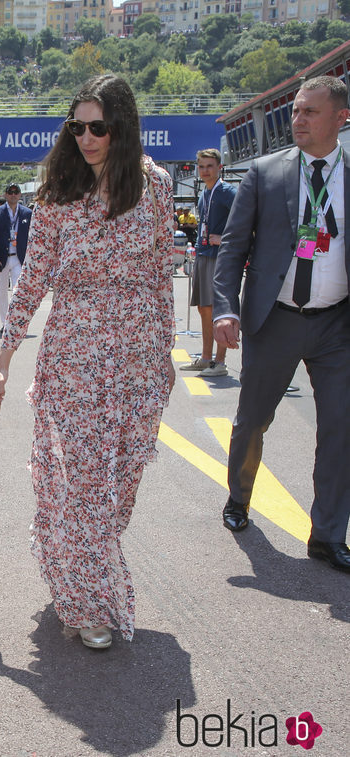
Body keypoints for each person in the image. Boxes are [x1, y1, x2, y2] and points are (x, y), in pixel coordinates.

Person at [0, 74, 177, 649]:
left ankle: (75, 561)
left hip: (137, 354)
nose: (88, 137)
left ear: (122, 127)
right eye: (79, 127)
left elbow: (160, 272)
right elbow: (33, 280)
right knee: (86, 483)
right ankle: (86, 601)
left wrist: (165, 351)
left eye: (99, 127)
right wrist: (3, 359)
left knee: (121, 482)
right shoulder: (57, 195)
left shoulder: (156, 186)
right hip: (74, 355)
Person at [213, 76, 350, 574]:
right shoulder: (266, 173)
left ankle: (328, 534)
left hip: (338, 324)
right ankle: (240, 499)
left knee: (341, 427)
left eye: (310, 112)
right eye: (295, 111)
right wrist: (226, 307)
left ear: (341, 118)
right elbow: (232, 250)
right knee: (253, 418)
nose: (298, 121)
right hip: (275, 319)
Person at [179, 148, 236, 378]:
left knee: (217, 309)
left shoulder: (226, 192)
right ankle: (205, 358)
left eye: (210, 166)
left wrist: (223, 239)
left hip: (219, 257)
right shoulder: (205, 193)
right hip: (203, 253)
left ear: (219, 167)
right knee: (204, 307)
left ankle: (220, 362)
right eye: (201, 166)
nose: (205, 171)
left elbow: (248, 218)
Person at [0, 184, 32, 333]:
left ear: (20, 195)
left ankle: (15, 322)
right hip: (1, 258)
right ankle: (5, 323)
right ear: (6, 195)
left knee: (18, 292)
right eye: (10, 192)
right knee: (1, 292)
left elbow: (33, 237)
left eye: (16, 192)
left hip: (19, 258)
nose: (13, 195)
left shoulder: (28, 213)